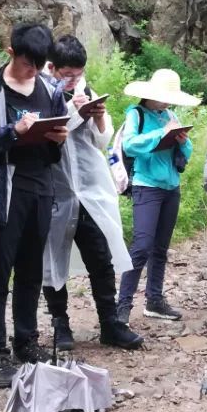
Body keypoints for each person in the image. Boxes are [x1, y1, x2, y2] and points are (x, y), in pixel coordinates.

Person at [0, 24, 69, 388]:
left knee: (30, 272)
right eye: (25, 64)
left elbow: (53, 153)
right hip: (2, 193)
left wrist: (57, 138)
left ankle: (26, 341)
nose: (31, 72)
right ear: (10, 52)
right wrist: (13, 131)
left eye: (38, 66)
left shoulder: (51, 91)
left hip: (40, 190)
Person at [42, 36, 143, 352]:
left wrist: (98, 115)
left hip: (90, 188)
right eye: (67, 74)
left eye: (78, 73)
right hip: (55, 190)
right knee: (52, 257)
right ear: (52, 68)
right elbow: (47, 137)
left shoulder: (88, 90)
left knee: (100, 256)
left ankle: (110, 323)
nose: (73, 80)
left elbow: (102, 142)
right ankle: (61, 325)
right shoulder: (41, 93)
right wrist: (72, 113)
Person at [117, 69, 200, 323]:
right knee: (141, 246)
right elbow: (129, 144)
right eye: (164, 97)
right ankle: (123, 305)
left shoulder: (171, 115)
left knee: (160, 249)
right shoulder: (136, 114)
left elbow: (186, 150)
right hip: (146, 185)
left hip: (171, 187)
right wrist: (160, 135)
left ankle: (154, 301)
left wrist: (182, 139)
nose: (167, 102)